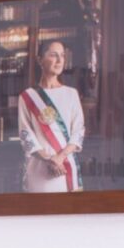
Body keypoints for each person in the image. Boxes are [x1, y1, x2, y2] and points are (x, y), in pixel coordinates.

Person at [19, 39, 85, 192]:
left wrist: (59, 158)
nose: (60, 60)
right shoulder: (27, 96)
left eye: (62, 55)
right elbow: (26, 135)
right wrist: (49, 159)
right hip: (40, 169)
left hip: (65, 167)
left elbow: (78, 132)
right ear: (40, 60)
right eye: (54, 55)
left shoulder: (71, 94)